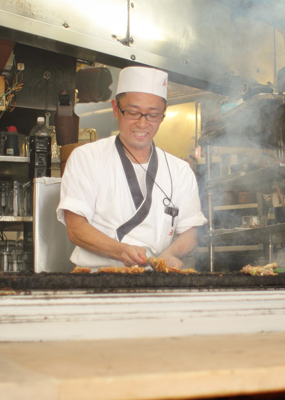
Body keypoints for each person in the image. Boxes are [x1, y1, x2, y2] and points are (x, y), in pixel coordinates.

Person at [56, 66, 207, 270]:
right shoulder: (86, 157)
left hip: (155, 282)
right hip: (95, 281)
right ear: (115, 108)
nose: (142, 124)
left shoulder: (180, 170)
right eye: (133, 112)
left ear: (163, 114)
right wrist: (120, 251)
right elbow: (76, 228)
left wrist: (170, 254)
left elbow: (190, 232)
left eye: (153, 115)